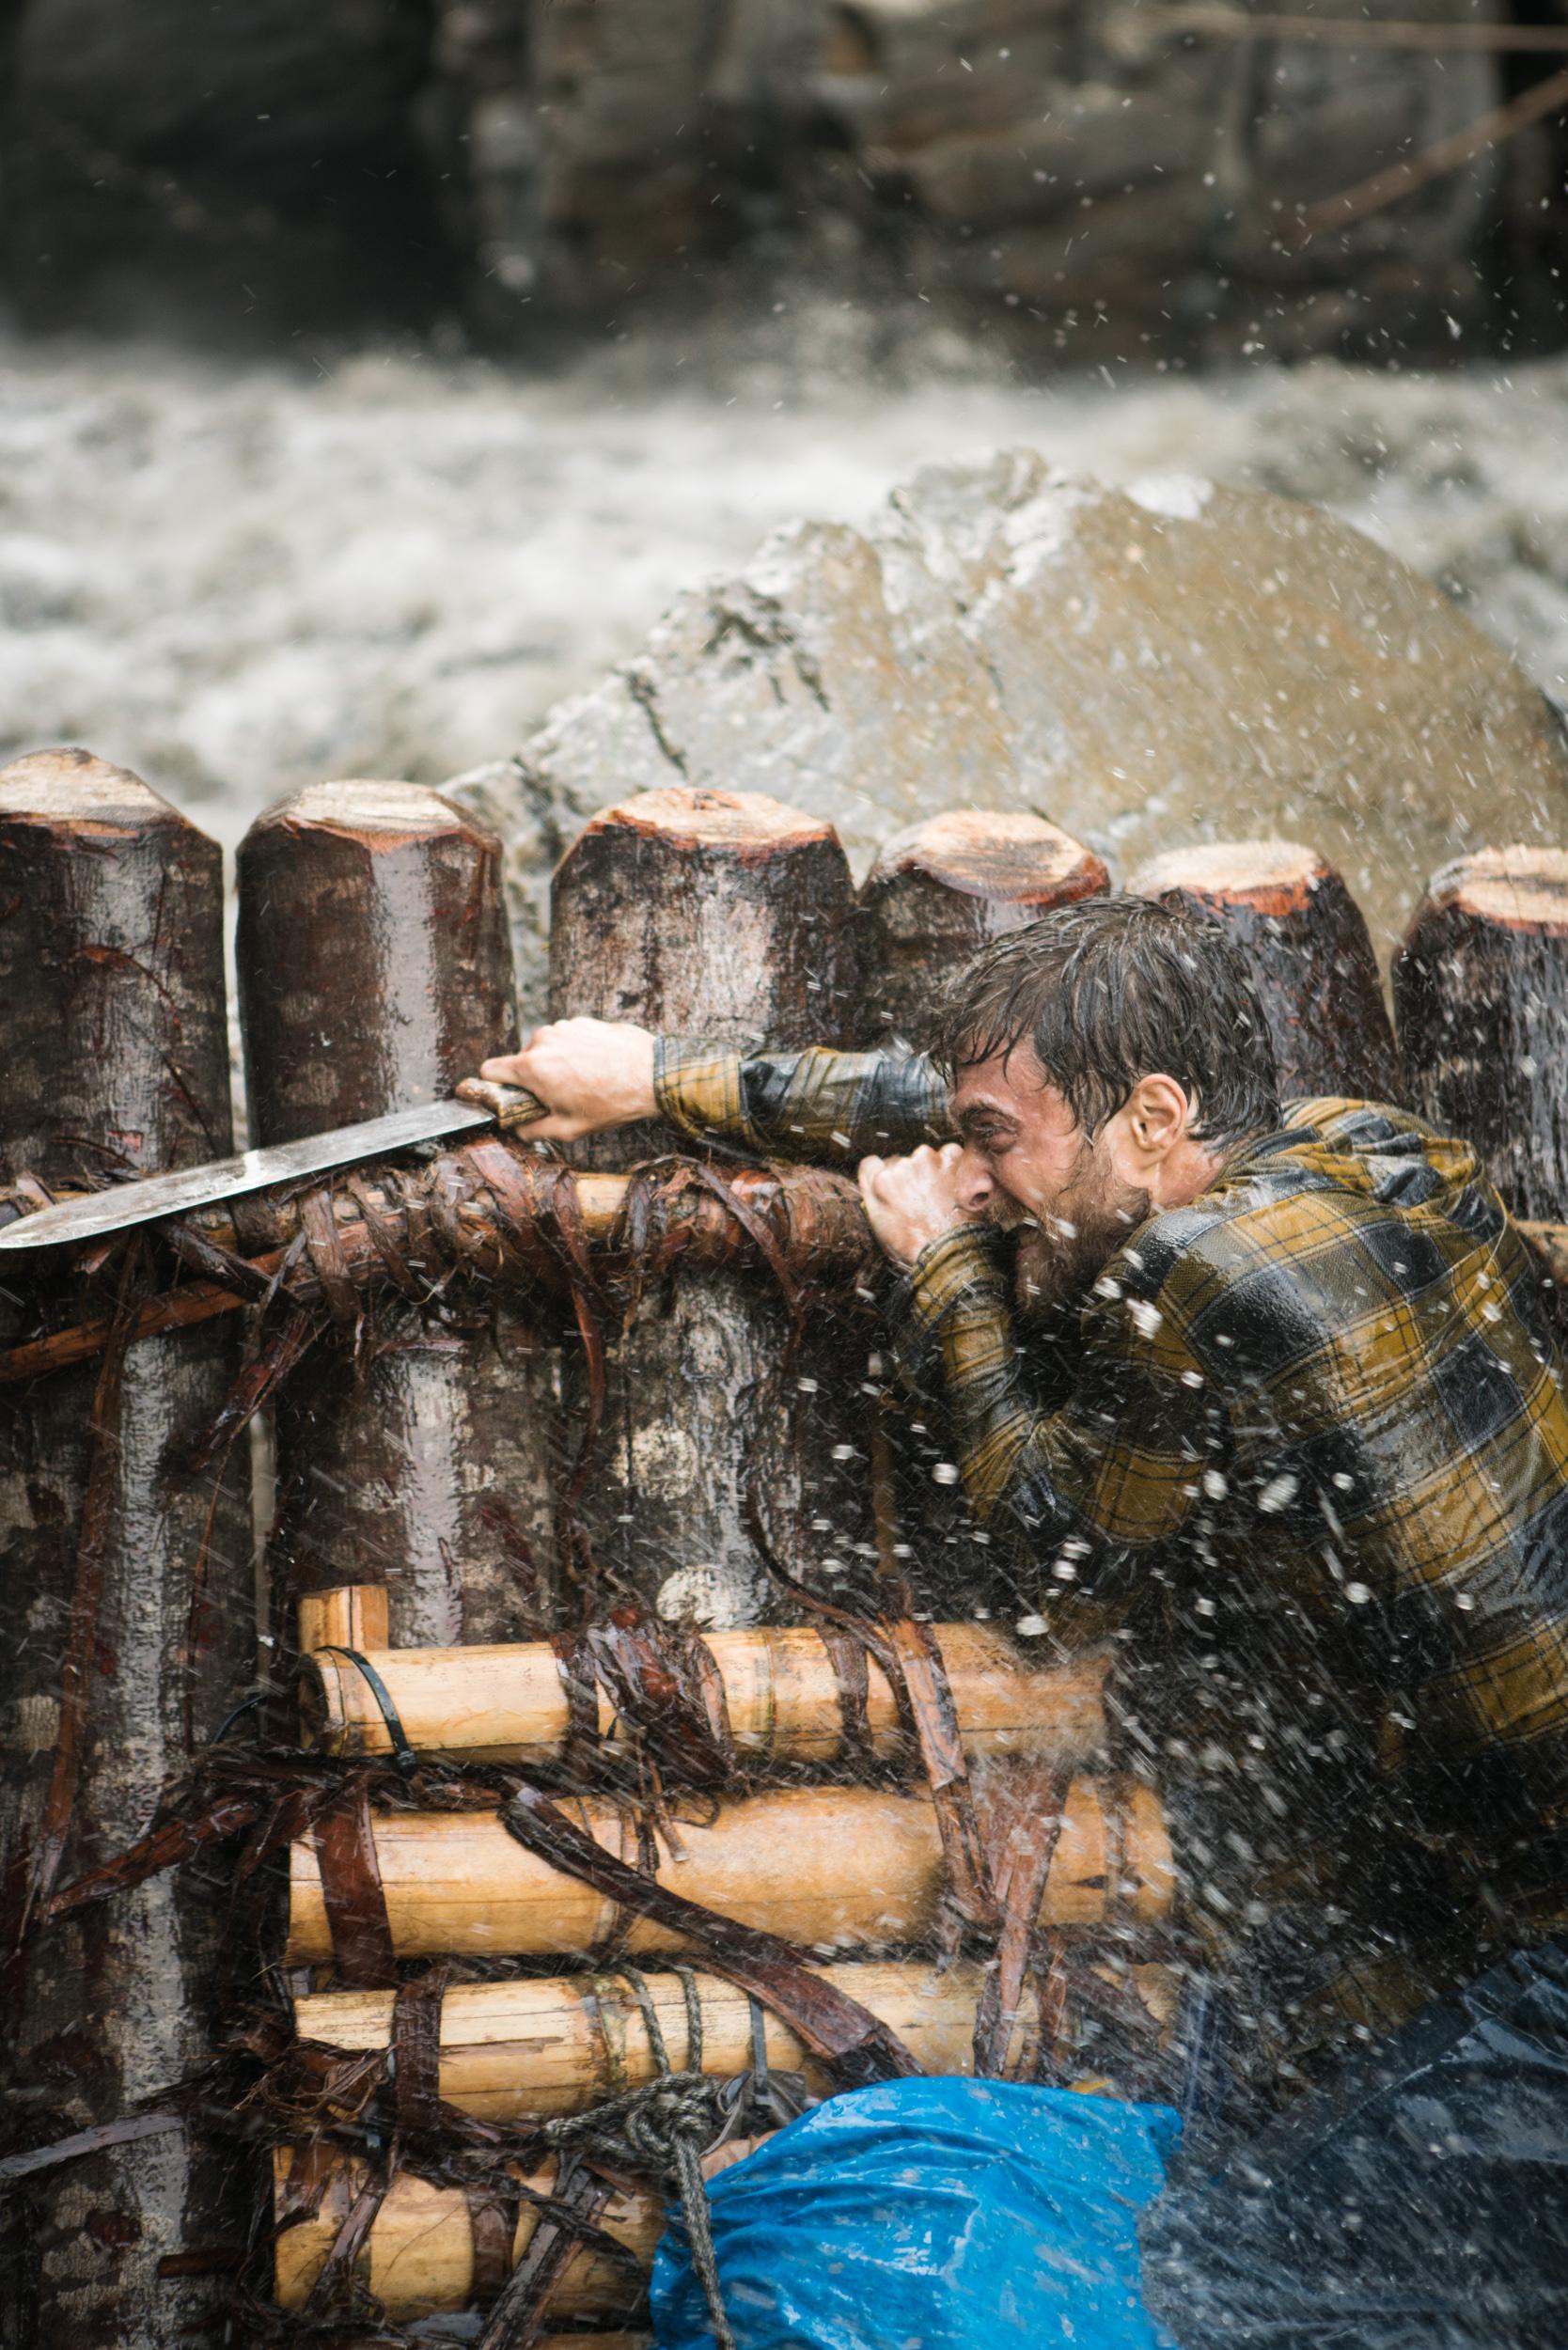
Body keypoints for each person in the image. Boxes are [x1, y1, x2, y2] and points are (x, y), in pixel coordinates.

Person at [480, 895, 1568, 2138]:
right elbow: (956, 1101)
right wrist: (664, 1079)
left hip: (1537, 1944)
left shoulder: (1199, 1267)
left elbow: (1063, 1572)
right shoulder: (1368, 1146)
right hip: (1490, 1865)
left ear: (1155, 1117)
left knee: (1241, 2289)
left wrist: (945, 1271)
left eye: (992, 1148)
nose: (977, 1183)